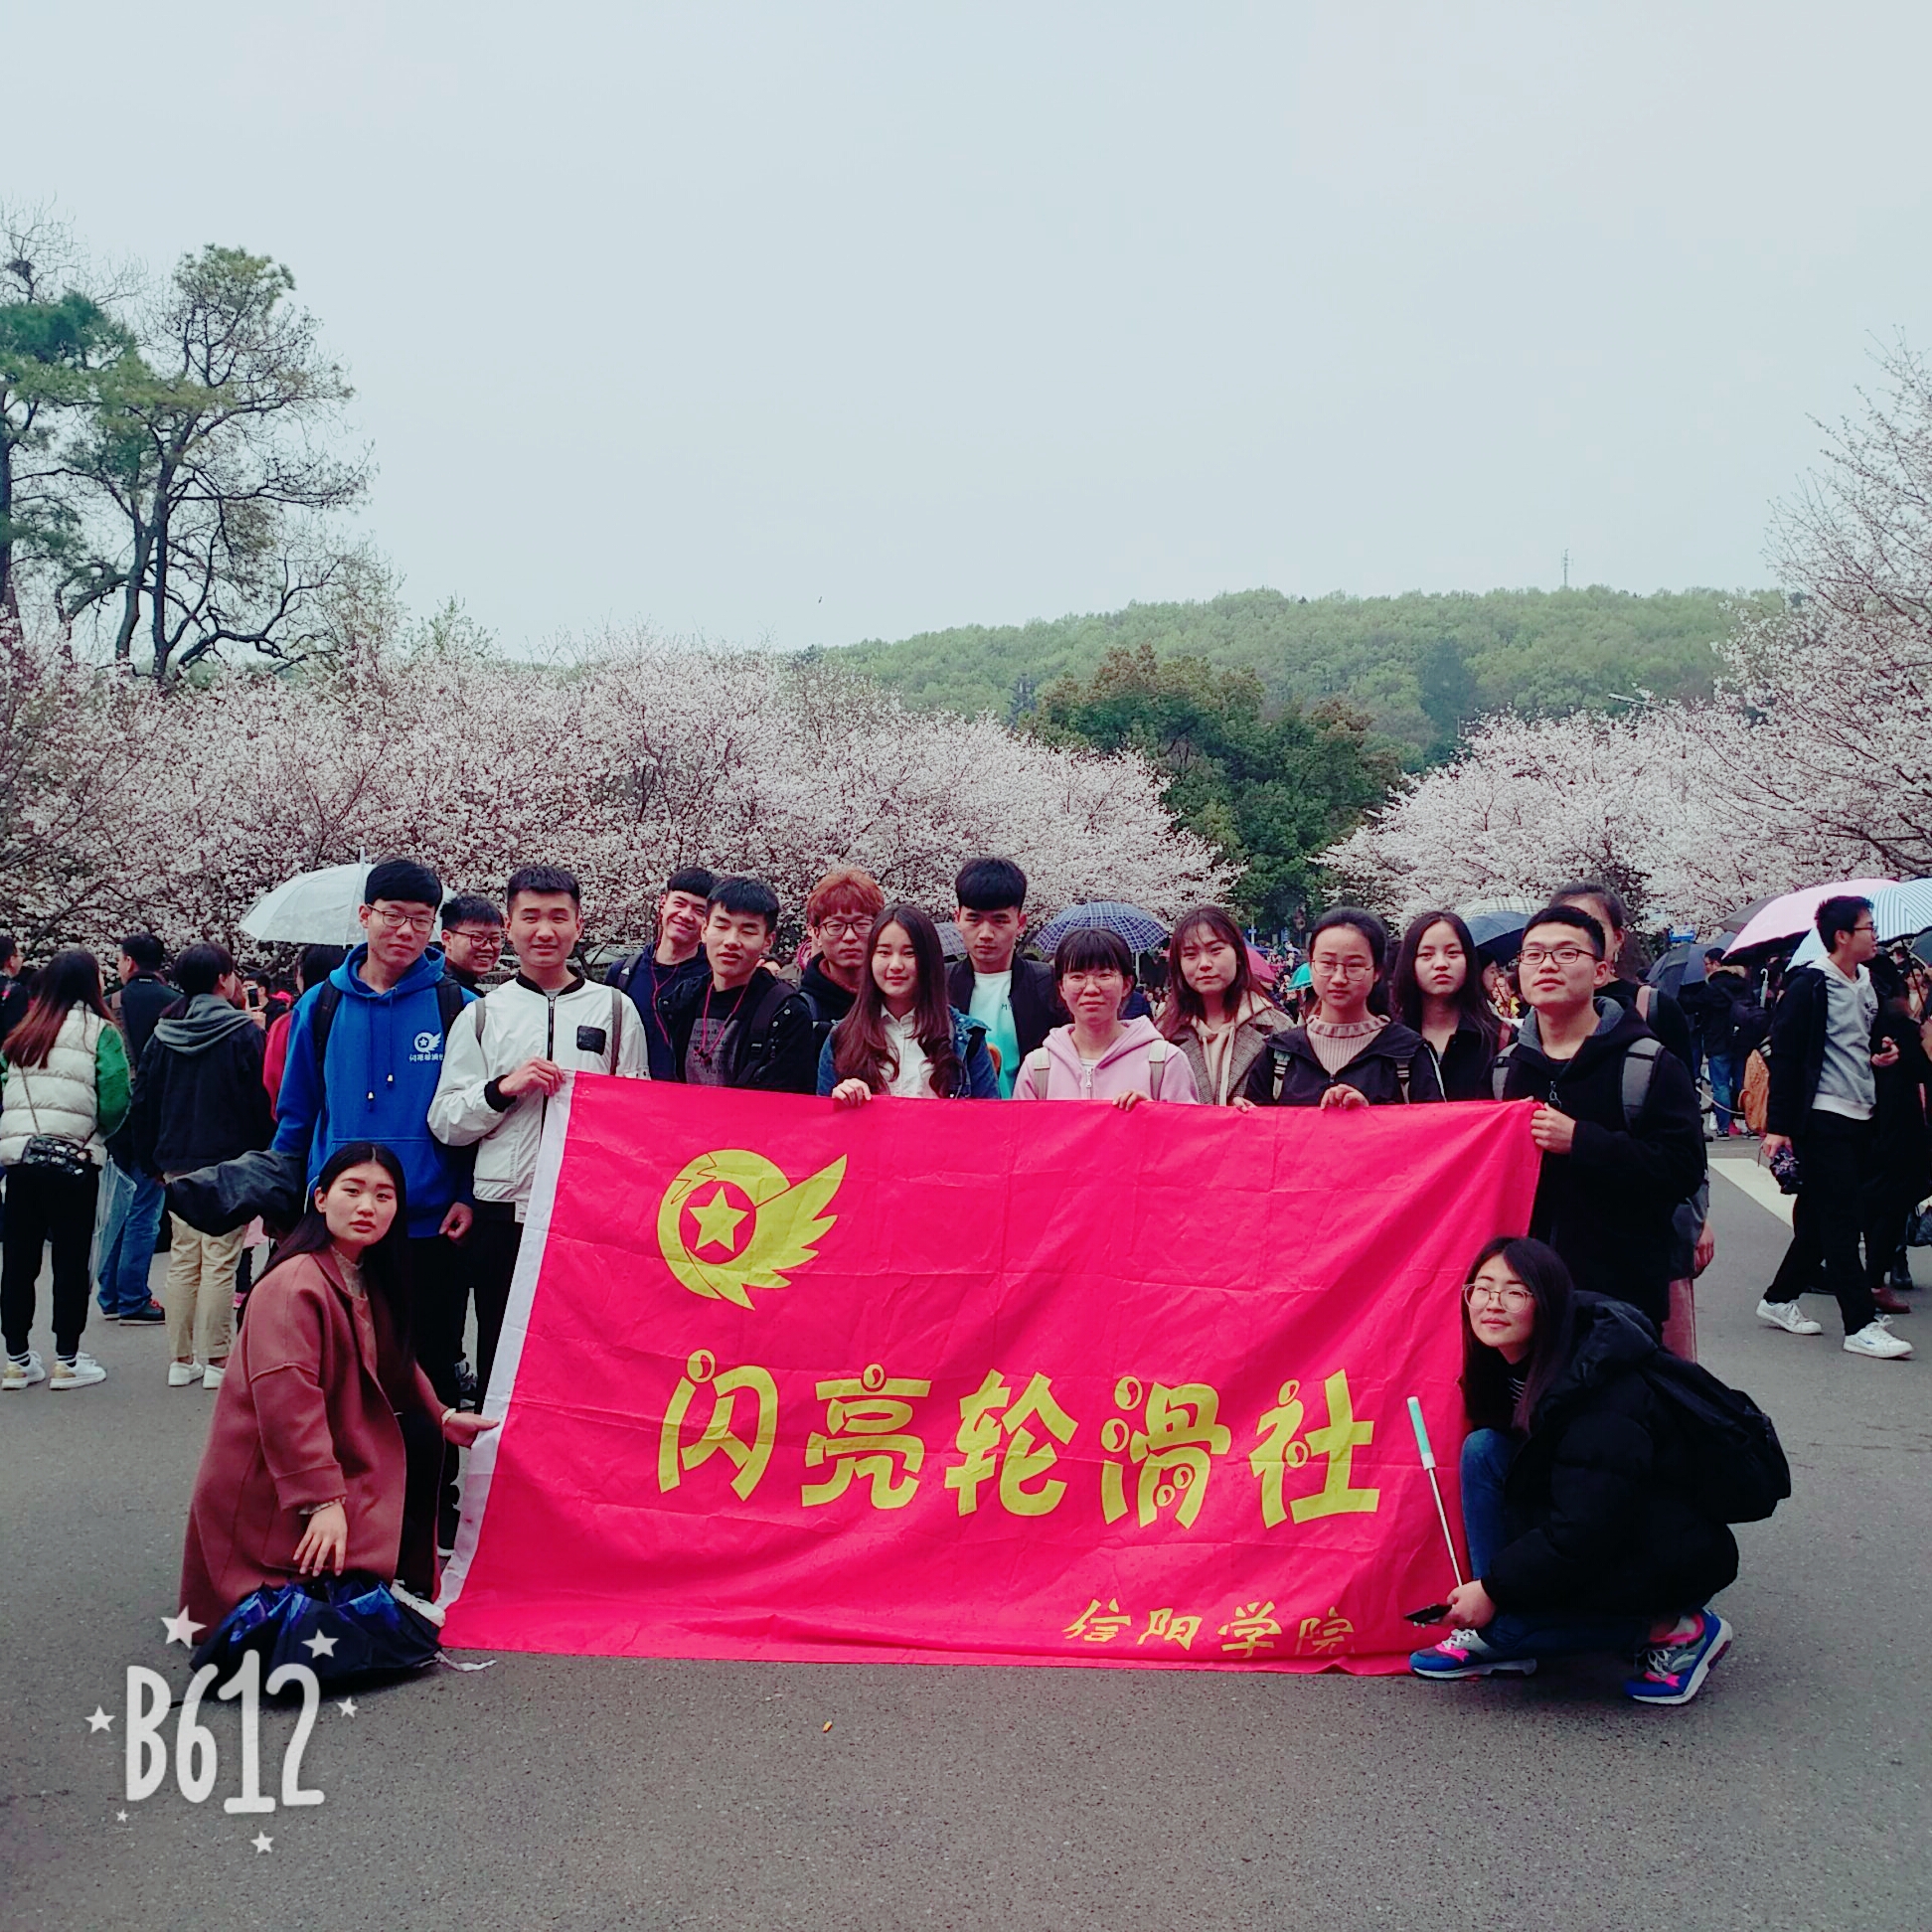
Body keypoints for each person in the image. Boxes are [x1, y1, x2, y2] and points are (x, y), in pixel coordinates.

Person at [178, 1143, 499, 1635]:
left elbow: (394, 1358)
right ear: (321, 1198)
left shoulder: (362, 1270)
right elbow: (287, 1404)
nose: (367, 1206)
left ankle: (375, 1578)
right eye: (353, 1191)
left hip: (324, 1449)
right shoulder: (293, 1285)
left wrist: (442, 1415)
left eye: (384, 1196)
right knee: (333, 1633)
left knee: (419, 1433)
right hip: (276, 1475)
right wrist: (321, 1500)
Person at [1408, 1236, 1737, 1704]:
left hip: (1660, 1548)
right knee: (1484, 1449)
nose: (1493, 1304)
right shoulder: (1506, 1360)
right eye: (1482, 1288)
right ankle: (1503, 1624)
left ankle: (1678, 1628)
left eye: (1515, 1292)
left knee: (1509, 1631)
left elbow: (1587, 1528)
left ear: (1547, 1303)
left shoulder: (1599, 1390)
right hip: (1594, 1523)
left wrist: (1493, 1589)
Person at [270, 858, 479, 1467]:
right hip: (340, 1222)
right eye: (392, 916)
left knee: (432, 1362)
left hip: (431, 1222)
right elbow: (297, 1111)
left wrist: (466, 1193)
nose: (405, 931)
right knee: (342, 1362)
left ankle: (433, 1501)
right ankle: (351, 1493)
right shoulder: (321, 1005)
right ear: (365, 916)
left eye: (420, 920)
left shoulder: (460, 1006)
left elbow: (476, 1118)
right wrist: (288, 1195)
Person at [431, 865, 649, 1396]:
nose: (544, 931)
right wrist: (502, 1089)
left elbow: (639, 1116)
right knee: (501, 1348)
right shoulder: (483, 1015)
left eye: (558, 917)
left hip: (588, 1212)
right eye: (530, 917)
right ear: (509, 926)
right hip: (502, 1209)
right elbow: (446, 1120)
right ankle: (495, 1451)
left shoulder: (616, 1010)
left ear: (579, 924)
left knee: (585, 1356)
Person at [1492, 906, 1704, 1332]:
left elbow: (1683, 1169)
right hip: (1525, 1292)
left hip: (1621, 1296)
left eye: (1567, 954)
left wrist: (1581, 1141)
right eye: (1533, 954)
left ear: (1601, 971)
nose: (1547, 965)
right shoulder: (1505, 1068)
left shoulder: (1647, 1062)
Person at [1758, 895, 1912, 1358]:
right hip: (1822, 1114)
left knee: (1823, 1217)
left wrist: (1883, 1053)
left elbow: (1863, 1039)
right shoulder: (1809, 985)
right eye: (1868, 928)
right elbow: (1787, 1057)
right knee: (1843, 1219)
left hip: (1862, 1111)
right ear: (1842, 936)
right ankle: (1859, 1324)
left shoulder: (1868, 981)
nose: (1875, 936)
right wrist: (1779, 1125)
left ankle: (1778, 1298)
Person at [125, 942, 275, 1390]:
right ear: (223, 980)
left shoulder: (163, 1034)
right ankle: (216, 1359)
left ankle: (180, 1358)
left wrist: (151, 1159)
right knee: (220, 1261)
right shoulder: (243, 1033)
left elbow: (143, 1100)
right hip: (228, 1161)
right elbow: (259, 1102)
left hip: (175, 1160)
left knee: (184, 1258)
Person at [0, 949, 131, 1390]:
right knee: (72, 1260)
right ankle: (67, 1360)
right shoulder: (100, 1032)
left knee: (19, 1259)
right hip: (74, 1159)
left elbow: (6, 1085)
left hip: (21, 1158)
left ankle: (17, 1359)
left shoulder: (22, 1033)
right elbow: (115, 1096)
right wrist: (95, 1132)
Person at [1242, 908, 1444, 1108]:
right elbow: (1259, 1126)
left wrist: (1373, 1117)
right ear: (1311, 966)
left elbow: (1436, 1125)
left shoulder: (1408, 1054)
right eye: (1327, 963)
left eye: (1354, 965)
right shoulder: (1279, 1054)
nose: (1339, 978)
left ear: (1377, 971)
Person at [818, 904, 1001, 1104]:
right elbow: (822, 1119)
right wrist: (840, 1101)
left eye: (909, 953)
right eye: (884, 952)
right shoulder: (841, 1038)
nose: (896, 965)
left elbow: (991, 1117)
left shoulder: (965, 1038)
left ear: (929, 960)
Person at [661, 877, 818, 1093]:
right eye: (721, 926)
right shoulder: (683, 1000)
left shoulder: (786, 1013)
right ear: (704, 930)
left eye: (748, 931)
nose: (731, 941)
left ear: (768, 941)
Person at [92, 932, 176, 1325]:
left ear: (128, 962)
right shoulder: (173, 1003)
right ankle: (133, 1296)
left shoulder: (111, 1004)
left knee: (118, 1206)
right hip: (156, 1119)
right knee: (145, 1208)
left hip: (118, 1119)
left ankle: (110, 1293)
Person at [1013, 929, 1199, 1106]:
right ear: (1062, 987)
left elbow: (1187, 1127)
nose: (1091, 989)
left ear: (1126, 985)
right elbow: (1021, 1129)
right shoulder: (1038, 1068)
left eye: (1104, 975)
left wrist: (1153, 1115)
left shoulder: (1164, 1061)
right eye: (1077, 977)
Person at [946, 857, 1068, 1097]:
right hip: (959, 1116)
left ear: (1020, 923)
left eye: (999, 920)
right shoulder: (939, 985)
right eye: (974, 919)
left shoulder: (1048, 984)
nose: (986, 933)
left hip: (1032, 1113)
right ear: (957, 918)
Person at [1551, 884, 1695, 1071]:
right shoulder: (1544, 1007)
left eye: (1593, 927)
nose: (1581, 938)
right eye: (1567, 927)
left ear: (1618, 937)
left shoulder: (1655, 1007)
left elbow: (1682, 1085)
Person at [1157, 906, 1290, 1105]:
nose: (1204, 964)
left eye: (1215, 950)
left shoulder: (1278, 1030)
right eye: (1191, 954)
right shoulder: (1162, 1034)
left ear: (1238, 955)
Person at [606, 867, 716, 1082]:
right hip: (631, 1094)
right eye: (679, 903)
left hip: (690, 1097)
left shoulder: (715, 978)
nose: (685, 915)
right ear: (663, 904)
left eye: (699, 910)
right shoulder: (623, 972)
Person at [1391, 910, 1500, 1101]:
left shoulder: (1500, 1039)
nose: (1441, 964)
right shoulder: (1389, 1041)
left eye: (1452, 953)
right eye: (1426, 955)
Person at [798, 867, 886, 1038]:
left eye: (862, 925)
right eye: (836, 926)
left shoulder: (897, 998)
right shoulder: (802, 1010)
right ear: (816, 933)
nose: (849, 937)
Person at [1681, 951, 1758, 1136]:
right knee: (1742, 1083)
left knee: (1721, 1085)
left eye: (1707, 963)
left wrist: (1680, 996)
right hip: (1742, 1040)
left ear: (1716, 964)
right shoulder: (1744, 984)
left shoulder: (1713, 987)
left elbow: (1693, 1005)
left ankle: (1723, 1127)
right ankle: (1748, 1123)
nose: (1705, 968)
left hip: (1718, 1040)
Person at [263, 945, 347, 1115]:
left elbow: (273, 1081)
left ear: (303, 975)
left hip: (297, 1120)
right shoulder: (355, 1017)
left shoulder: (286, 1024)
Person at [439, 894, 505, 994]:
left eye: (495, 939)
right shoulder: (441, 991)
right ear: (447, 939)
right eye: (477, 938)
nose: (488, 947)